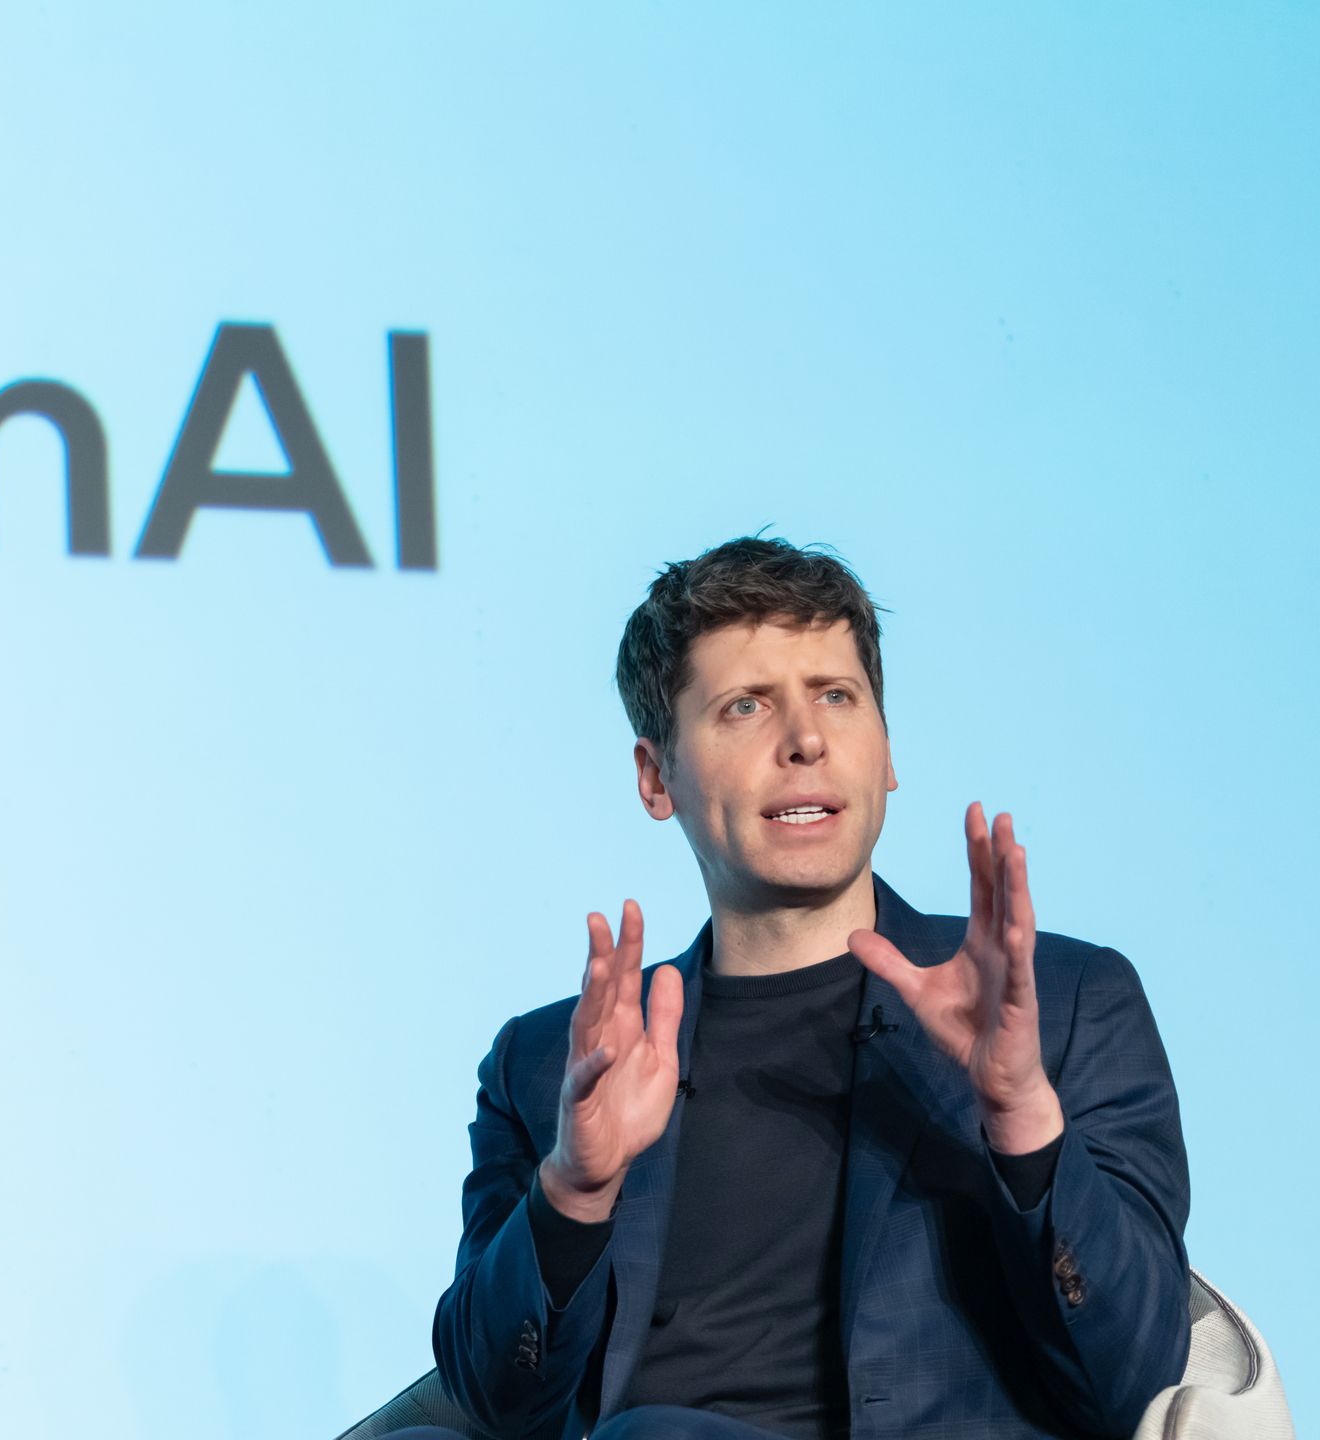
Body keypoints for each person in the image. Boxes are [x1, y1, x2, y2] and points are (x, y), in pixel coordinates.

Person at [392, 537, 1189, 1440]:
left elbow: (1138, 1382)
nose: (807, 740)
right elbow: (495, 1403)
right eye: (746, 706)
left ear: (886, 752)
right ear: (656, 777)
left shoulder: (1067, 1002)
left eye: (837, 696)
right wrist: (575, 1190)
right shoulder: (551, 1063)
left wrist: (1020, 1114)